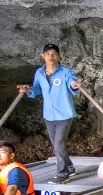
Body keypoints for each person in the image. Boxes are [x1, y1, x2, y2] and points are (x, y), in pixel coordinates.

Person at [16, 43, 82, 182]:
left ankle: (63, 174)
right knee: (57, 145)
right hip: (49, 115)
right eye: (47, 54)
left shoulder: (66, 72)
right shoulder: (39, 73)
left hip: (64, 114)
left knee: (59, 144)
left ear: (59, 56)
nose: (50, 57)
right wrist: (28, 89)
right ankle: (69, 167)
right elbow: (37, 89)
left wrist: (74, 84)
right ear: (43, 56)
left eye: (53, 54)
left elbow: (72, 82)